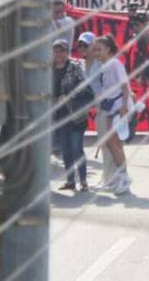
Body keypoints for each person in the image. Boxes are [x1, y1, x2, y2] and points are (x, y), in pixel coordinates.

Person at [90, 35, 131, 194]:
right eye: (95, 50)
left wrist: (123, 109)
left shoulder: (114, 63)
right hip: (111, 109)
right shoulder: (104, 65)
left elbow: (125, 85)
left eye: (99, 49)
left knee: (113, 143)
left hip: (118, 109)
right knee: (112, 143)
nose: (97, 53)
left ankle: (124, 178)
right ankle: (121, 177)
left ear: (108, 49)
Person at [52, 38, 93, 192]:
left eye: (62, 50)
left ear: (68, 52)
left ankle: (83, 180)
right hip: (59, 116)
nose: (59, 53)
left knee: (77, 149)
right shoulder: (48, 69)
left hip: (76, 115)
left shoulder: (76, 67)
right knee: (66, 150)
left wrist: (69, 96)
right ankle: (70, 181)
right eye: (56, 50)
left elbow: (86, 90)